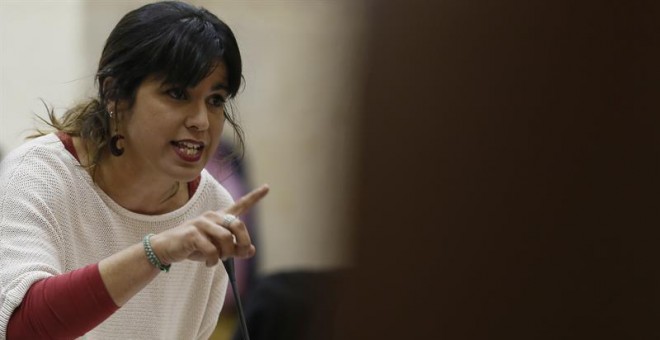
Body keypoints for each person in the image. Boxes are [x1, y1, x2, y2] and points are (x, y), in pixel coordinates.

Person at [0, 1, 268, 339]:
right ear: (114, 94)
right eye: (177, 94)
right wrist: (157, 251)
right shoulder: (37, 175)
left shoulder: (212, 203)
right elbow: (21, 329)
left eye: (215, 100)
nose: (201, 121)